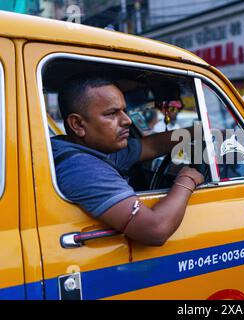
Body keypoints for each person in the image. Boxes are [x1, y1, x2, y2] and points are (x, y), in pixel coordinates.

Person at [52, 74, 204, 246]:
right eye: (111, 113)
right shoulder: (81, 168)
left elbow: (152, 146)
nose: (127, 120)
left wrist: (202, 131)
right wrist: (187, 180)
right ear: (78, 125)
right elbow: (155, 230)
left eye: (124, 110)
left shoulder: (88, 149)